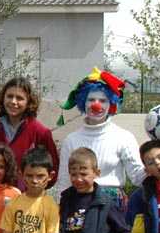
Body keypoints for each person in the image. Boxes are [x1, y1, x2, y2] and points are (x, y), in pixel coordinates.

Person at [54, 68, 144, 196]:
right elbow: (64, 181)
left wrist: (159, 165)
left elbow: (137, 176)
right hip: (80, 201)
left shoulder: (124, 137)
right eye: (91, 100)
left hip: (112, 203)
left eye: (103, 100)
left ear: (111, 104)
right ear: (83, 102)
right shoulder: (71, 140)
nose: (96, 105)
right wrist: (61, 204)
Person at [0, 77, 59, 191]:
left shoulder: (41, 132)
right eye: (9, 96)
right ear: (3, 98)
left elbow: (53, 169)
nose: (13, 102)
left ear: (28, 102)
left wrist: (34, 191)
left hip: (28, 197)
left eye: (19, 98)